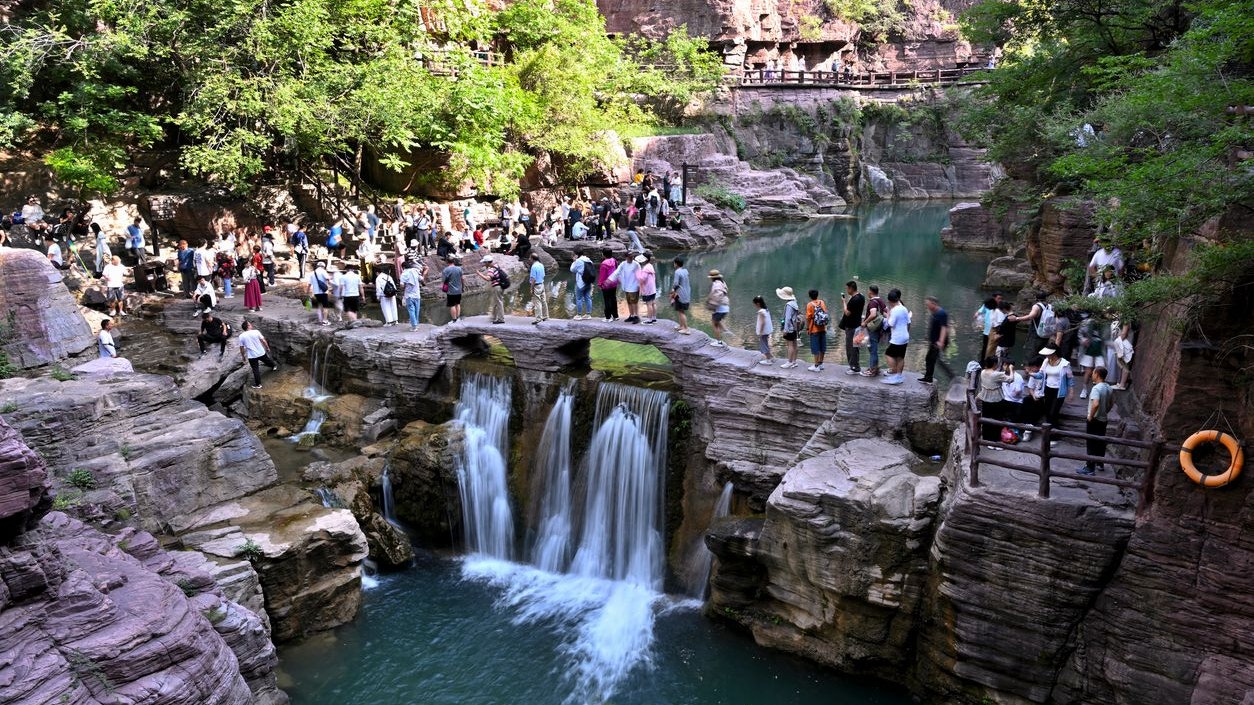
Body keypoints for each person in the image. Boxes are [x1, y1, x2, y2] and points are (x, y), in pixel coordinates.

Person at [1079, 367, 1114, 475]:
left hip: (1094, 419)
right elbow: (1111, 403)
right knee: (1100, 441)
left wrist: (1090, 416)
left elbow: (1095, 404)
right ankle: (1100, 463)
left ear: (1097, 374)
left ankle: (1089, 467)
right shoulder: (1109, 387)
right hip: (1103, 419)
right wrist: (1105, 411)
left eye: (1093, 372)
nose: (1092, 375)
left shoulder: (1096, 388)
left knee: (1091, 443)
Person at [976, 356, 1014, 443]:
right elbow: (1010, 379)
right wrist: (1011, 369)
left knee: (986, 419)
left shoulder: (983, 372)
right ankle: (995, 440)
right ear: (994, 364)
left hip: (986, 399)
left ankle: (987, 439)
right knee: (997, 420)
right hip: (996, 400)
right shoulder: (997, 374)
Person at [919, 296, 954, 385]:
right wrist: (928, 337)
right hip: (934, 341)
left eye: (928, 304)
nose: (927, 306)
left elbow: (944, 328)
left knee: (932, 359)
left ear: (934, 304)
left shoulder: (942, 313)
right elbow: (934, 327)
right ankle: (929, 377)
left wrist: (941, 341)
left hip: (938, 342)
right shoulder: (935, 312)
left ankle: (951, 376)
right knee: (932, 359)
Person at [238, 321, 278, 389]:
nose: (251, 325)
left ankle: (258, 384)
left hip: (252, 356)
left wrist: (243, 356)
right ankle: (274, 366)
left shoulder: (241, 336)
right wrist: (267, 347)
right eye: (250, 324)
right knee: (267, 360)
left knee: (255, 370)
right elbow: (263, 340)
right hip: (261, 352)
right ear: (248, 326)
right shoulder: (256, 331)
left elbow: (241, 348)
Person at [1039, 345, 1072, 427]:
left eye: (1048, 354)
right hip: (1048, 389)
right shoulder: (1046, 361)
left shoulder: (1064, 364)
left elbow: (1070, 378)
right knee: (1047, 411)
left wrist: (1071, 392)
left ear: (1054, 353)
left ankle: (1054, 434)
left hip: (1059, 390)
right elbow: (1040, 374)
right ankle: (1049, 431)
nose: (1046, 356)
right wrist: (1031, 374)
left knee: (1053, 412)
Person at [882, 289, 910, 385]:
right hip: (905, 336)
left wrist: (888, 314)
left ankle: (894, 373)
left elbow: (890, 324)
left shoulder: (894, 310)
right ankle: (899, 376)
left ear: (890, 301)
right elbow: (908, 322)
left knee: (888, 354)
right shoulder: (904, 308)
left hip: (897, 338)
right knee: (900, 357)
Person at [839, 281, 865, 374]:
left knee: (851, 347)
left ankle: (854, 368)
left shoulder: (854, 300)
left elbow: (847, 313)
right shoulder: (861, 296)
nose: (846, 290)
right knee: (855, 346)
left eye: (847, 288)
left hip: (851, 327)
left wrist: (844, 302)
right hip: (857, 324)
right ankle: (855, 366)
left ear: (850, 288)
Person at [861, 285, 886, 377]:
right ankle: (875, 368)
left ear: (871, 292)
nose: (868, 292)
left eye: (868, 291)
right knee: (873, 348)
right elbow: (886, 313)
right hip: (879, 328)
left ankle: (872, 370)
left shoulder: (872, 302)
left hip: (873, 329)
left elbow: (873, 314)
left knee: (873, 349)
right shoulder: (881, 301)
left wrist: (865, 322)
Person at [609, 252, 641, 323]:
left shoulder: (636, 264)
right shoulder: (623, 264)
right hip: (627, 286)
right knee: (629, 302)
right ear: (626, 257)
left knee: (634, 302)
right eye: (629, 257)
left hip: (634, 286)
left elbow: (639, 274)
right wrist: (610, 279)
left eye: (632, 257)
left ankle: (636, 316)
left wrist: (639, 285)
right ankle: (631, 315)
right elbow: (617, 271)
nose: (631, 258)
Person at [805, 289, 829, 372]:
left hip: (814, 328)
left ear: (810, 296)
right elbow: (825, 313)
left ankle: (816, 366)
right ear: (817, 295)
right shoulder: (822, 302)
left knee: (815, 347)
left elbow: (808, 318)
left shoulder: (809, 305)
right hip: (822, 327)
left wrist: (808, 328)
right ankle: (821, 363)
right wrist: (825, 326)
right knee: (822, 346)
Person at [777, 286, 801, 368]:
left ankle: (789, 362)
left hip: (790, 328)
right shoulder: (794, 302)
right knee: (795, 344)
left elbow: (787, 318)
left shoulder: (789, 305)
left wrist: (785, 330)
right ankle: (794, 361)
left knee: (790, 345)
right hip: (794, 327)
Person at [705, 270, 729, 347]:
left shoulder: (716, 284)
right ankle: (725, 331)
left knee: (714, 324)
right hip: (725, 307)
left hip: (720, 307)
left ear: (712, 278)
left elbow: (718, 295)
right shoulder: (722, 282)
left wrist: (711, 302)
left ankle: (719, 342)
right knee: (717, 321)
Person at [400, 260, 425, 331]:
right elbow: (422, 279)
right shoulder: (415, 271)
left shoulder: (404, 274)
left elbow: (402, 285)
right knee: (417, 310)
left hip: (409, 295)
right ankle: (416, 324)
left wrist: (404, 286)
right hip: (417, 294)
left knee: (411, 310)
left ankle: (414, 326)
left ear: (403, 267)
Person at [570, 249, 595, 320]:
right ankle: (588, 314)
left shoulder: (578, 261)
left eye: (574, 254)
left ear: (577, 255)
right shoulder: (588, 260)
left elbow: (572, 269)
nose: (573, 256)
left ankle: (579, 315)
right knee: (588, 297)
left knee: (579, 298)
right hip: (589, 282)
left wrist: (574, 261)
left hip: (581, 282)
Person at [306, 261, 333, 325]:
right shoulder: (323, 271)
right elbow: (327, 278)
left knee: (320, 305)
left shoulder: (313, 273)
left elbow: (309, 284)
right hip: (323, 292)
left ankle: (320, 319)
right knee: (325, 306)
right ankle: (325, 321)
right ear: (323, 266)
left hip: (316, 292)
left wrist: (307, 292)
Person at [671, 257, 691, 334]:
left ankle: (686, 329)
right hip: (686, 292)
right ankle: (681, 326)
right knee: (680, 310)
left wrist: (672, 291)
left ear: (676, 264)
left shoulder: (677, 272)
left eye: (674, 263)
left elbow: (676, 284)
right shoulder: (685, 271)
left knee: (681, 311)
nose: (674, 264)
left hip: (680, 294)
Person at [598, 250, 620, 321]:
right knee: (613, 298)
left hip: (606, 284)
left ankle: (608, 317)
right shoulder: (614, 260)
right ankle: (615, 316)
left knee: (607, 300)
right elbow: (617, 271)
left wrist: (600, 284)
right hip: (613, 282)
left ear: (603, 255)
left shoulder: (603, 264)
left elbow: (602, 276)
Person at [636, 254, 658, 324]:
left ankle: (649, 320)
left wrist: (637, 274)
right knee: (653, 303)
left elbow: (642, 279)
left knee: (649, 304)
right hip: (653, 289)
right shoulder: (650, 266)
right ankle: (654, 318)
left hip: (647, 289)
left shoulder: (645, 268)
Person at [443, 254, 464, 322]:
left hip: (450, 291)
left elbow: (444, 280)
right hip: (459, 290)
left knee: (452, 305)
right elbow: (462, 279)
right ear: (454, 261)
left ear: (447, 261)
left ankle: (454, 319)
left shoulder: (446, 270)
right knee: (458, 304)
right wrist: (462, 287)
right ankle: (458, 318)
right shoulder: (459, 268)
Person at [528, 253, 548, 324]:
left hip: (536, 286)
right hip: (542, 284)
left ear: (532, 259)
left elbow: (533, 279)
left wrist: (531, 288)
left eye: (530, 258)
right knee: (544, 301)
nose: (529, 259)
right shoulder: (541, 265)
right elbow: (543, 275)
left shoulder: (534, 266)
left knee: (537, 302)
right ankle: (545, 316)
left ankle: (538, 319)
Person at [753, 295, 774, 365]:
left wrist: (760, 332)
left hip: (763, 332)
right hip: (767, 331)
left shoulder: (761, 312)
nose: (754, 306)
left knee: (763, 345)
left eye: (755, 304)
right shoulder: (766, 309)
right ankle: (771, 357)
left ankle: (768, 360)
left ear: (758, 304)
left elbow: (762, 322)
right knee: (765, 344)